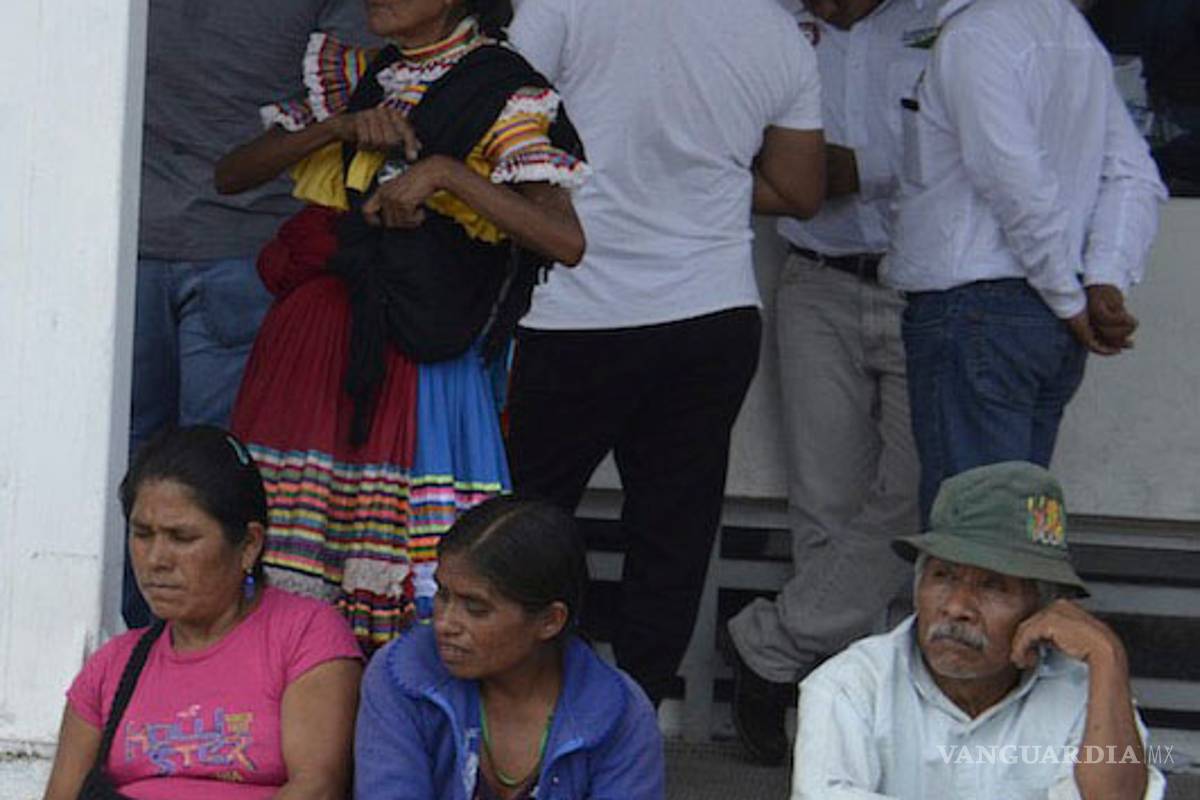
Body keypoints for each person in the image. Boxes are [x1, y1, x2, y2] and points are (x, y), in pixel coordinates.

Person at [214, 0, 588, 651]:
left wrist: (443, 175)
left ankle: (395, 734)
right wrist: (336, 130)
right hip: (311, 365)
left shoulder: (505, 91)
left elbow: (564, 239)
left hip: (418, 372)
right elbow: (232, 175)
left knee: (412, 590)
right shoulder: (363, 77)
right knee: (290, 582)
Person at [505, 0, 825, 707]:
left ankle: (515, 706)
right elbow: (802, 189)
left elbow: (501, 125)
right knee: (671, 532)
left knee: (521, 519)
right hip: (711, 308)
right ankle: (637, 713)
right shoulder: (775, 30)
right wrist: (701, 186)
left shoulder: (561, 5)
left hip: (572, 307)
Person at [722, 0, 935, 766]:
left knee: (919, 498)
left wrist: (859, 169)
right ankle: (849, 724)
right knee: (823, 509)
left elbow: (978, 142)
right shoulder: (768, 23)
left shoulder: (943, 17)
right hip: (814, 278)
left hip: (926, 284)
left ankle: (767, 645)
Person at [123, 0, 376, 629]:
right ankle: (202, 655)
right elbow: (365, 93)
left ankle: (135, 652)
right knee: (226, 474)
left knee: (130, 465)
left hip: (130, 243)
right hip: (248, 249)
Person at [885, 0, 1167, 523]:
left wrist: (1072, 295)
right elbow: (1134, 177)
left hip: (979, 311)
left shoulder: (977, 35)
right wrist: (1101, 278)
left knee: (972, 535)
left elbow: (1017, 185)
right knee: (1014, 537)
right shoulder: (1073, 34)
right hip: (1040, 319)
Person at [791, 461, 1166, 799]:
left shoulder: (1085, 692)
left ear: (1042, 609)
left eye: (993, 586)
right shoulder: (851, 686)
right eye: (942, 576)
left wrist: (1108, 655)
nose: (957, 607)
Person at [43, 426, 363, 800]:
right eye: (142, 534)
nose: (156, 560)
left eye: (182, 538)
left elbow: (317, 788)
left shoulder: (306, 634)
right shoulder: (112, 665)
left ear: (248, 545)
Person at [355, 496, 665, 800]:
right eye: (442, 594)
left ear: (550, 621)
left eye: (476, 608)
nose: (444, 623)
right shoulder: (401, 674)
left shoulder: (621, 714)